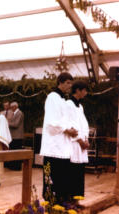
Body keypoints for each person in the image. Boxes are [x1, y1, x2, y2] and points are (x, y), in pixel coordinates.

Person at [40, 72, 78, 204]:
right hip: (53, 145)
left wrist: (71, 128)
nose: (70, 86)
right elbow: (52, 121)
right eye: (68, 82)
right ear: (60, 82)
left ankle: (61, 199)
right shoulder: (52, 97)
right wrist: (67, 129)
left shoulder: (63, 99)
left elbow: (65, 119)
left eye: (71, 83)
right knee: (52, 174)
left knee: (62, 174)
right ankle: (51, 200)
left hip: (63, 145)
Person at [66, 80, 90, 198]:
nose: (86, 92)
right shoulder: (68, 104)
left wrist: (86, 140)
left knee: (80, 172)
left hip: (81, 144)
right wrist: (80, 141)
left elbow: (83, 125)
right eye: (84, 90)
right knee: (73, 172)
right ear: (77, 90)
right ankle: (71, 200)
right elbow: (71, 124)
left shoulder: (80, 106)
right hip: (74, 144)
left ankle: (78, 199)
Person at [6, 102, 24, 170]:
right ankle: (12, 166)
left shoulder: (19, 113)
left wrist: (7, 123)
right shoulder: (14, 113)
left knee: (16, 152)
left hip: (17, 136)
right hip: (13, 136)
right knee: (12, 151)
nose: (11, 109)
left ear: (15, 107)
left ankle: (16, 167)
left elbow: (16, 124)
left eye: (11, 107)